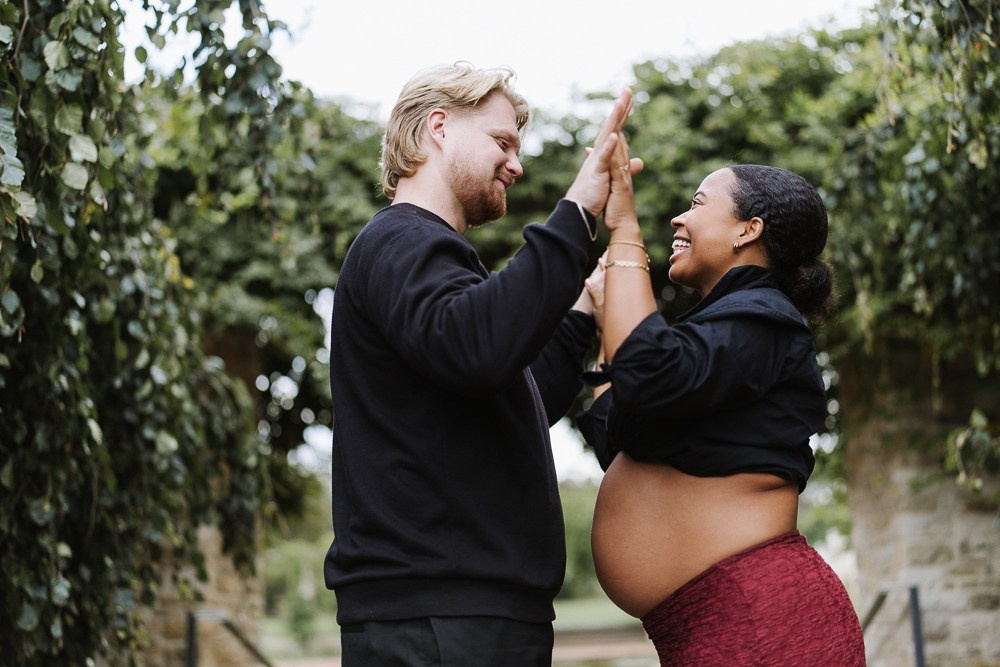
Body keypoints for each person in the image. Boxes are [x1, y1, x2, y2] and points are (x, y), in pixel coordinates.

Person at [324, 62, 634, 666]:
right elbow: (481, 349)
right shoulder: (400, 241)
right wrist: (579, 208)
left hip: (467, 613)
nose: (517, 165)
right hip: (435, 618)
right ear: (438, 127)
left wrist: (577, 312)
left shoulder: (433, 264)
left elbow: (514, 398)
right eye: (502, 142)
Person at [577, 141, 866, 665]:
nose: (678, 218)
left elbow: (648, 379)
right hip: (714, 625)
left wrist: (625, 233)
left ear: (747, 229)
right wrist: (607, 318)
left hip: (760, 620)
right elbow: (614, 439)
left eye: (697, 202)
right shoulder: (720, 335)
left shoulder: (763, 318)